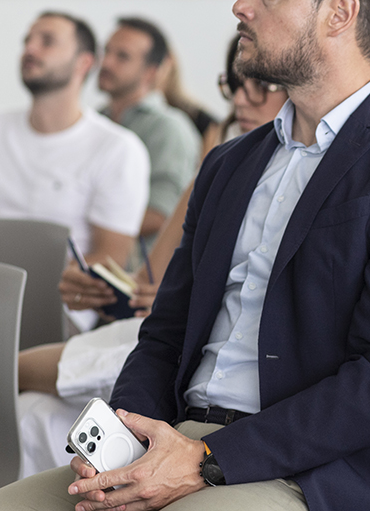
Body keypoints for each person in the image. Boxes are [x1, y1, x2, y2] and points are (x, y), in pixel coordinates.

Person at [0, 0, 370, 511]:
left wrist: (206, 459)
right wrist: (125, 436)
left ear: (340, 13)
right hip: (179, 439)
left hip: (315, 470)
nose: (241, 6)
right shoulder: (230, 164)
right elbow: (165, 334)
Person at [15, 34, 290, 478]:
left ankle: (5, 369)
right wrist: (103, 287)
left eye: (260, 86)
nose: (241, 99)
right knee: (31, 403)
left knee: (15, 372)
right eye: (234, 85)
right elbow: (149, 284)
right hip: (154, 333)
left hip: (192, 352)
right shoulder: (220, 164)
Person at [0, 11, 150, 330]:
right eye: (27, 40)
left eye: (47, 41)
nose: (30, 49)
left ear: (83, 63)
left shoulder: (117, 149)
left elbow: (109, 260)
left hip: (59, 312)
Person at [99, 17, 201, 242]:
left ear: (151, 71)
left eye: (122, 56)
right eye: (106, 51)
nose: (106, 63)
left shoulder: (168, 128)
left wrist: (88, 227)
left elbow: (161, 214)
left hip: (131, 262)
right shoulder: (96, 120)